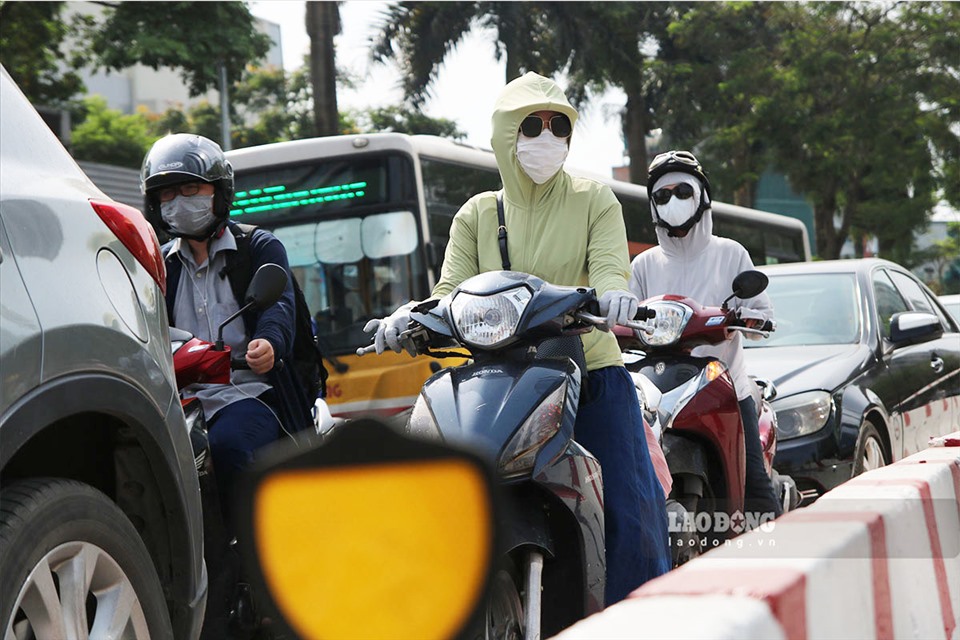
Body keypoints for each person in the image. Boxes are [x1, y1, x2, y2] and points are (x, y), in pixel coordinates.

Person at [366, 72, 671, 604]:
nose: (548, 136)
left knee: (629, 510)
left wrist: (614, 296)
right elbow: (448, 293)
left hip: (589, 372)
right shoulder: (476, 214)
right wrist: (408, 317)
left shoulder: (595, 199)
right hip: (494, 379)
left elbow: (608, 271)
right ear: (508, 134)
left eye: (560, 125)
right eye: (534, 124)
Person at [141, 133, 310, 638]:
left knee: (233, 444)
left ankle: (261, 561)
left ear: (219, 192)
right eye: (166, 194)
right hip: (181, 400)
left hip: (246, 392)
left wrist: (268, 345)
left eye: (190, 189)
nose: (179, 203)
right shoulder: (157, 266)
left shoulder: (257, 245)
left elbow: (279, 305)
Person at [627, 149, 783, 521]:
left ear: (702, 197)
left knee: (755, 488)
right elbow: (626, 317)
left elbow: (763, 316)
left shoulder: (731, 254)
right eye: (662, 196)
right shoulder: (643, 264)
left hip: (724, 388)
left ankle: (783, 565)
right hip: (658, 391)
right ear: (652, 207)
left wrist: (745, 318)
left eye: (683, 191)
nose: (673, 201)